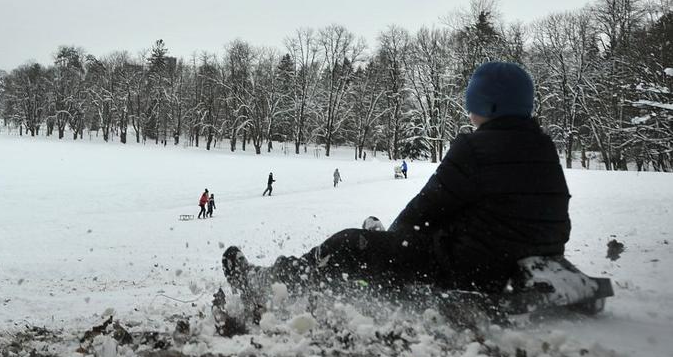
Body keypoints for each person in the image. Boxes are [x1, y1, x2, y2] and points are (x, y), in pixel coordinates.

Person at [223, 62, 570, 302]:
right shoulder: (541, 145)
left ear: (486, 103)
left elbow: (425, 208)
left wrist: (391, 247)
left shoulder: (475, 147)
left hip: (467, 268)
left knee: (347, 244)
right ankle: (380, 243)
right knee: (401, 239)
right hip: (521, 259)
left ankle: (268, 283)